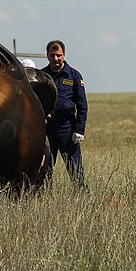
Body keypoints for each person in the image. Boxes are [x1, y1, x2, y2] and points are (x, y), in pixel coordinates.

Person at [40, 40, 88, 187]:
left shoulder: (73, 75)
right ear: (47, 56)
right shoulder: (42, 76)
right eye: (52, 55)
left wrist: (79, 130)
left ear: (64, 55)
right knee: (45, 166)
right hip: (47, 128)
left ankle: (81, 195)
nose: (55, 59)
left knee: (74, 167)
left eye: (58, 55)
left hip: (67, 127)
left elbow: (82, 105)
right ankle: (43, 196)